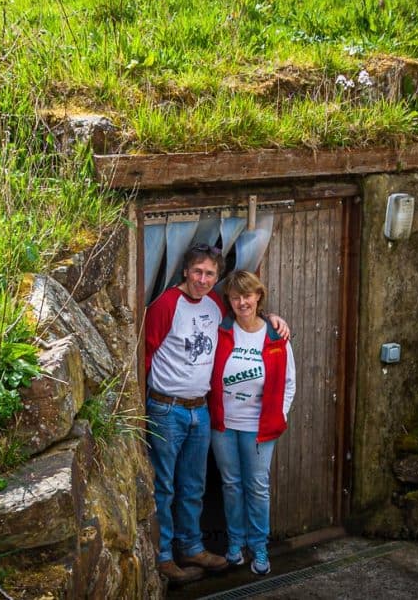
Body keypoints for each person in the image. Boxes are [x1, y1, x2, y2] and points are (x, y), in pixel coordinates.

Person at [144, 245, 289, 586]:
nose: (203, 279)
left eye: (210, 274)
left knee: (193, 485)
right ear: (185, 272)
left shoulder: (214, 307)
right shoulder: (166, 305)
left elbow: (246, 318)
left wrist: (272, 320)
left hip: (201, 410)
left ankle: (192, 547)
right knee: (164, 486)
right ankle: (165, 556)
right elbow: (145, 354)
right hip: (167, 408)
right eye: (197, 272)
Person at [208, 270, 296, 576]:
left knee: (257, 488)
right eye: (235, 297)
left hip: (259, 428)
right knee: (231, 485)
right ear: (229, 301)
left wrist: (279, 414)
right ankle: (236, 545)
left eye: (247, 295)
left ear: (258, 297)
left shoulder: (274, 335)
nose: (242, 302)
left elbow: (289, 383)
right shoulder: (221, 331)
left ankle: (259, 546)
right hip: (224, 424)